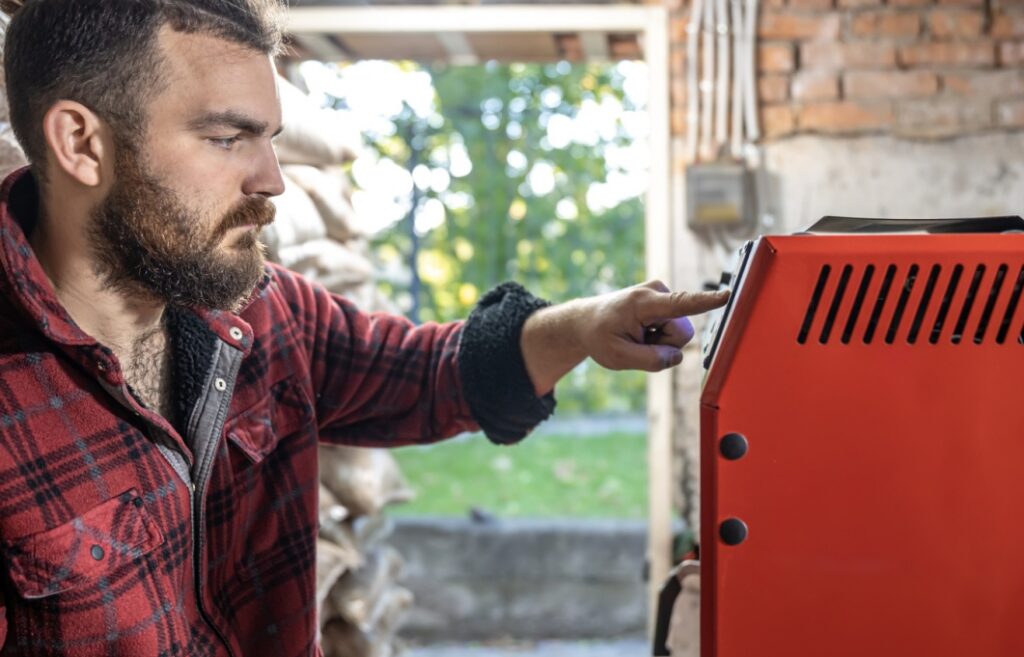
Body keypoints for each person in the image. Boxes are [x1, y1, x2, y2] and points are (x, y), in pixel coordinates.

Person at [0, 1, 729, 655]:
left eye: (273, 139)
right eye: (228, 137)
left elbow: (427, 375)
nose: (273, 179)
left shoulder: (263, 312)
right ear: (81, 144)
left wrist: (585, 326)